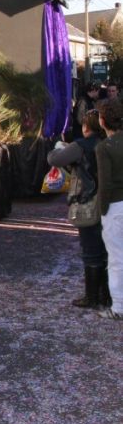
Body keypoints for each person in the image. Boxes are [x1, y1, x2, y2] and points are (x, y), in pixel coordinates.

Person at [47, 110, 108, 309]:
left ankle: (92, 296)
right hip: (109, 200)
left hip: (88, 199)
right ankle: (105, 294)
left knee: (90, 249)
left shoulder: (81, 145)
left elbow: (55, 160)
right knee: (107, 250)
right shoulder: (107, 143)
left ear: (86, 126)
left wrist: (56, 149)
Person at [95, 98, 123, 320]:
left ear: (103, 121)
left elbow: (104, 184)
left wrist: (101, 210)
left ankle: (119, 307)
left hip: (114, 206)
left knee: (116, 258)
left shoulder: (104, 147)